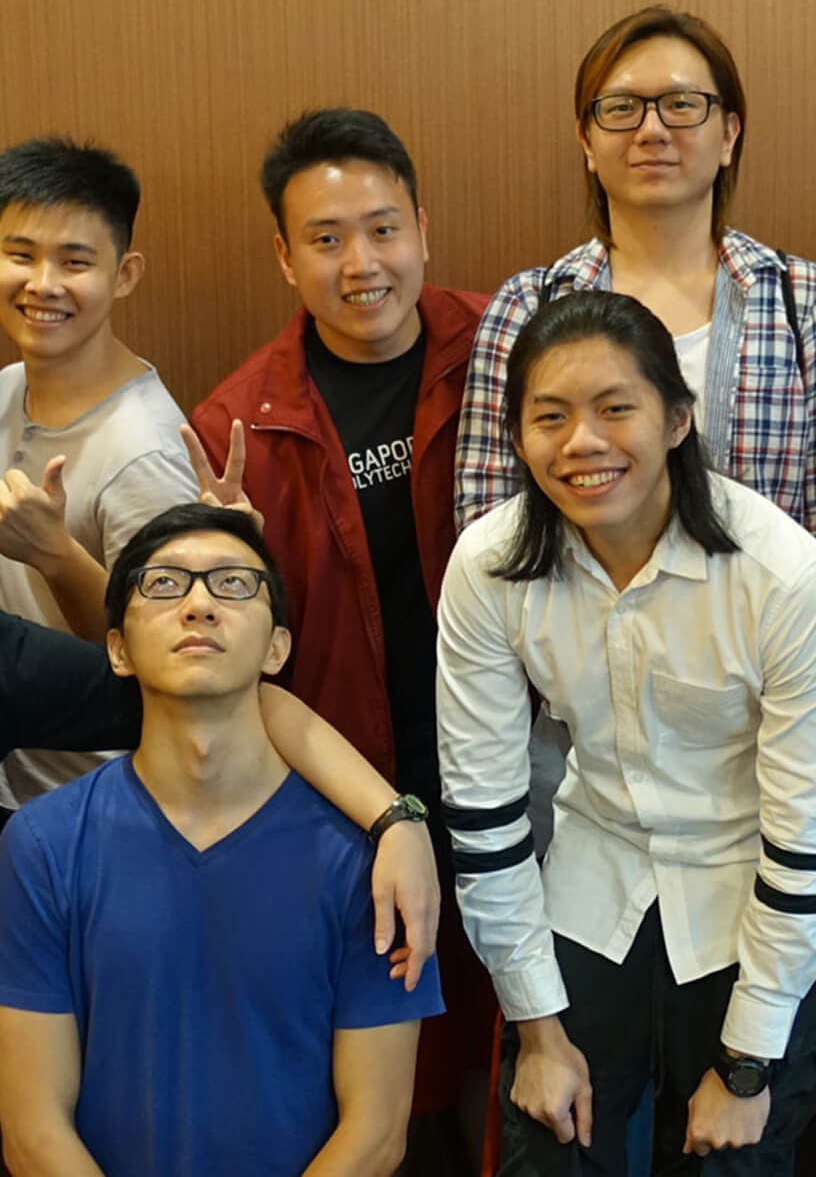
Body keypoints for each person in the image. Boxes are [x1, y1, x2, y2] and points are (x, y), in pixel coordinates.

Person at [436, 291, 816, 1174]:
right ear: (517, 436)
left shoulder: (783, 579)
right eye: (549, 416)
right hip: (597, 880)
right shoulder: (489, 565)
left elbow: (811, 841)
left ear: (676, 419)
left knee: (737, 1156)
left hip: (754, 900)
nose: (582, 443)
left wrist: (745, 1066)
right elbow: (482, 812)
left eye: (615, 408)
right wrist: (537, 1031)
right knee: (546, 1144)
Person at [188, 108, 495, 1151]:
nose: (360, 263)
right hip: (346, 800)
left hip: (514, 781)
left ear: (421, 227)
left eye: (381, 229)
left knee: (517, 1063)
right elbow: (225, 660)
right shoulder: (237, 424)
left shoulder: (503, 351)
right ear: (284, 256)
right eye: (324, 239)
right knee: (385, 1081)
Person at [0, 503, 445, 1175]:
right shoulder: (42, 845)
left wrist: (398, 822)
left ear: (278, 647)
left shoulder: (370, 863)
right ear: (116, 648)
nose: (200, 604)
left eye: (234, 585)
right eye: (164, 584)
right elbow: (33, 1129)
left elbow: (377, 1133)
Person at [453, 6, 816, 582]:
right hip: (573, 653)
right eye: (621, 108)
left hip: (761, 654)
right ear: (587, 143)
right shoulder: (529, 306)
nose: (651, 131)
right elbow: (489, 525)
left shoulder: (803, 299)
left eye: (681, 105)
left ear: (729, 135)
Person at [0, 136, 196, 809]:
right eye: (20, 255)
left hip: (100, 805)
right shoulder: (5, 390)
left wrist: (55, 553)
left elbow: (166, 659)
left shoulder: (144, 447)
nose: (42, 284)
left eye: (74, 261)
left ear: (124, 274)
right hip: (16, 788)